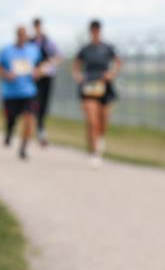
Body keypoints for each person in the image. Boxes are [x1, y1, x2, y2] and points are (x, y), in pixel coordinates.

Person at [0, 25, 52, 160]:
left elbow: (45, 64)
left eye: (24, 35)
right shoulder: (6, 50)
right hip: (11, 93)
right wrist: (6, 74)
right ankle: (9, 132)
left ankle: (23, 149)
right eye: (19, 34)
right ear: (16, 35)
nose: (22, 37)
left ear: (26, 36)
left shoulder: (34, 50)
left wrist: (39, 72)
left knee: (29, 121)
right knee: (11, 119)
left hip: (29, 92)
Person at [72, 19, 122, 168]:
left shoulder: (107, 48)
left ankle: (99, 139)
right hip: (89, 86)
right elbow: (76, 66)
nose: (95, 33)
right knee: (92, 120)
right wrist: (78, 76)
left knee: (103, 120)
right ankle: (95, 153)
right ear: (90, 31)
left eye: (97, 30)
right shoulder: (85, 49)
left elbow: (118, 62)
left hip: (104, 86)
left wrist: (112, 73)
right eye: (93, 30)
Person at [31, 17, 62, 146]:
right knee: (34, 102)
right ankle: (36, 128)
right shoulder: (30, 42)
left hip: (47, 76)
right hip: (33, 77)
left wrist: (45, 67)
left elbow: (58, 57)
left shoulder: (48, 42)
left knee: (44, 103)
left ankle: (40, 128)